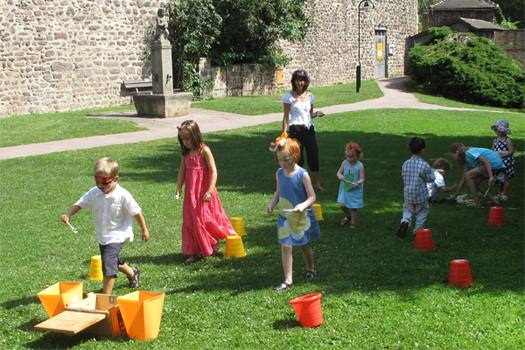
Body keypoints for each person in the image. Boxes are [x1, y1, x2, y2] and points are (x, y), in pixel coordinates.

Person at [61, 157, 149, 295]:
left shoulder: (123, 195)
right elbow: (80, 203)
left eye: (105, 183)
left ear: (116, 179)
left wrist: (144, 229)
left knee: (108, 264)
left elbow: (136, 212)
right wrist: (68, 214)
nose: (100, 186)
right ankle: (132, 272)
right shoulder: (94, 192)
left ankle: (105, 297)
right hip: (102, 235)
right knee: (111, 260)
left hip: (118, 234)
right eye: (97, 182)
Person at [175, 120, 237, 264]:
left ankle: (212, 243)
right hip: (191, 194)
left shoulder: (204, 151)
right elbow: (182, 172)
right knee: (192, 221)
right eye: (182, 139)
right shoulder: (186, 153)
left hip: (204, 193)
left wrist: (210, 191)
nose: (185, 142)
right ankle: (196, 251)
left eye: (187, 139)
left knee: (206, 219)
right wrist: (179, 187)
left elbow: (214, 171)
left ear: (195, 135)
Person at [266, 134, 321, 291]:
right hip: (284, 216)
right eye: (279, 159)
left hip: (299, 216)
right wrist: (271, 204)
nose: (283, 163)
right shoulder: (279, 173)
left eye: (286, 159)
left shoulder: (302, 174)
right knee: (286, 246)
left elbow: (312, 196)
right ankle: (288, 279)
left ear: (295, 156)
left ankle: (310, 267)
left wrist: (303, 205)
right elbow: (278, 192)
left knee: (303, 245)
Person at [282, 69, 326, 191]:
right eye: (297, 80)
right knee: (297, 157)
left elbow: (309, 114)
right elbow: (286, 116)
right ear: (294, 81)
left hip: (309, 128)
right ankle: (297, 184)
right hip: (295, 129)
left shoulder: (310, 96)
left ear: (305, 81)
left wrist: (317, 113)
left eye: (302, 80)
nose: (299, 83)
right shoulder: (289, 97)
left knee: (313, 154)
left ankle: (317, 184)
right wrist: (284, 133)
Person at [397, 137, 435, 238]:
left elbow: (403, 176)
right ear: (423, 151)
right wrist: (432, 172)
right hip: (421, 196)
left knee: (408, 210)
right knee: (422, 212)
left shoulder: (406, 164)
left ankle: (405, 222)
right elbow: (431, 179)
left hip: (408, 194)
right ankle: (418, 230)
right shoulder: (424, 165)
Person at [449, 143, 505, 207]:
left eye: (453, 156)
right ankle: (493, 200)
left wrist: (491, 177)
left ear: (457, 152)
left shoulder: (468, 153)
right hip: (496, 165)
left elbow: (486, 161)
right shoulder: (466, 160)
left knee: (469, 174)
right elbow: (463, 180)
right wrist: (455, 196)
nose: (453, 158)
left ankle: (476, 202)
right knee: (475, 182)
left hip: (494, 163)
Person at [336, 142, 365, 229]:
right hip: (345, 188)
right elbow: (338, 173)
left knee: (353, 207)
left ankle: (353, 223)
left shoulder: (360, 166)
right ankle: (348, 216)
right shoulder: (344, 163)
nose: (349, 159)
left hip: (354, 189)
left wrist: (358, 182)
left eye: (352, 157)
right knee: (341, 204)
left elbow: (362, 178)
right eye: (348, 156)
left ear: (357, 155)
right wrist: (340, 176)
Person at [491, 119, 515, 201]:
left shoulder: (507, 140)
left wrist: (503, 155)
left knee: (505, 178)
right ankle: (499, 193)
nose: (497, 132)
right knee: (498, 178)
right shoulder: (495, 140)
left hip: (505, 161)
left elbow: (511, 151)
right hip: (498, 161)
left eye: (499, 130)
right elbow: (492, 150)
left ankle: (504, 194)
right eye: (496, 130)